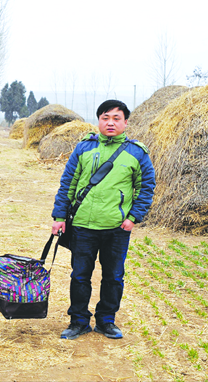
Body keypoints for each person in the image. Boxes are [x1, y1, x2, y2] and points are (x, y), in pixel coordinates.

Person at [51, 99, 155, 340]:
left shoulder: (136, 152)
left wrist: (134, 217)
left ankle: (106, 321)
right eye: (105, 118)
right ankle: (78, 321)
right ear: (98, 121)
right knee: (79, 276)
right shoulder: (84, 148)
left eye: (116, 118)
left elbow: (146, 187)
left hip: (117, 228)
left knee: (113, 276)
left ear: (126, 122)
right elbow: (68, 182)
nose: (110, 123)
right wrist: (59, 216)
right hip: (83, 226)